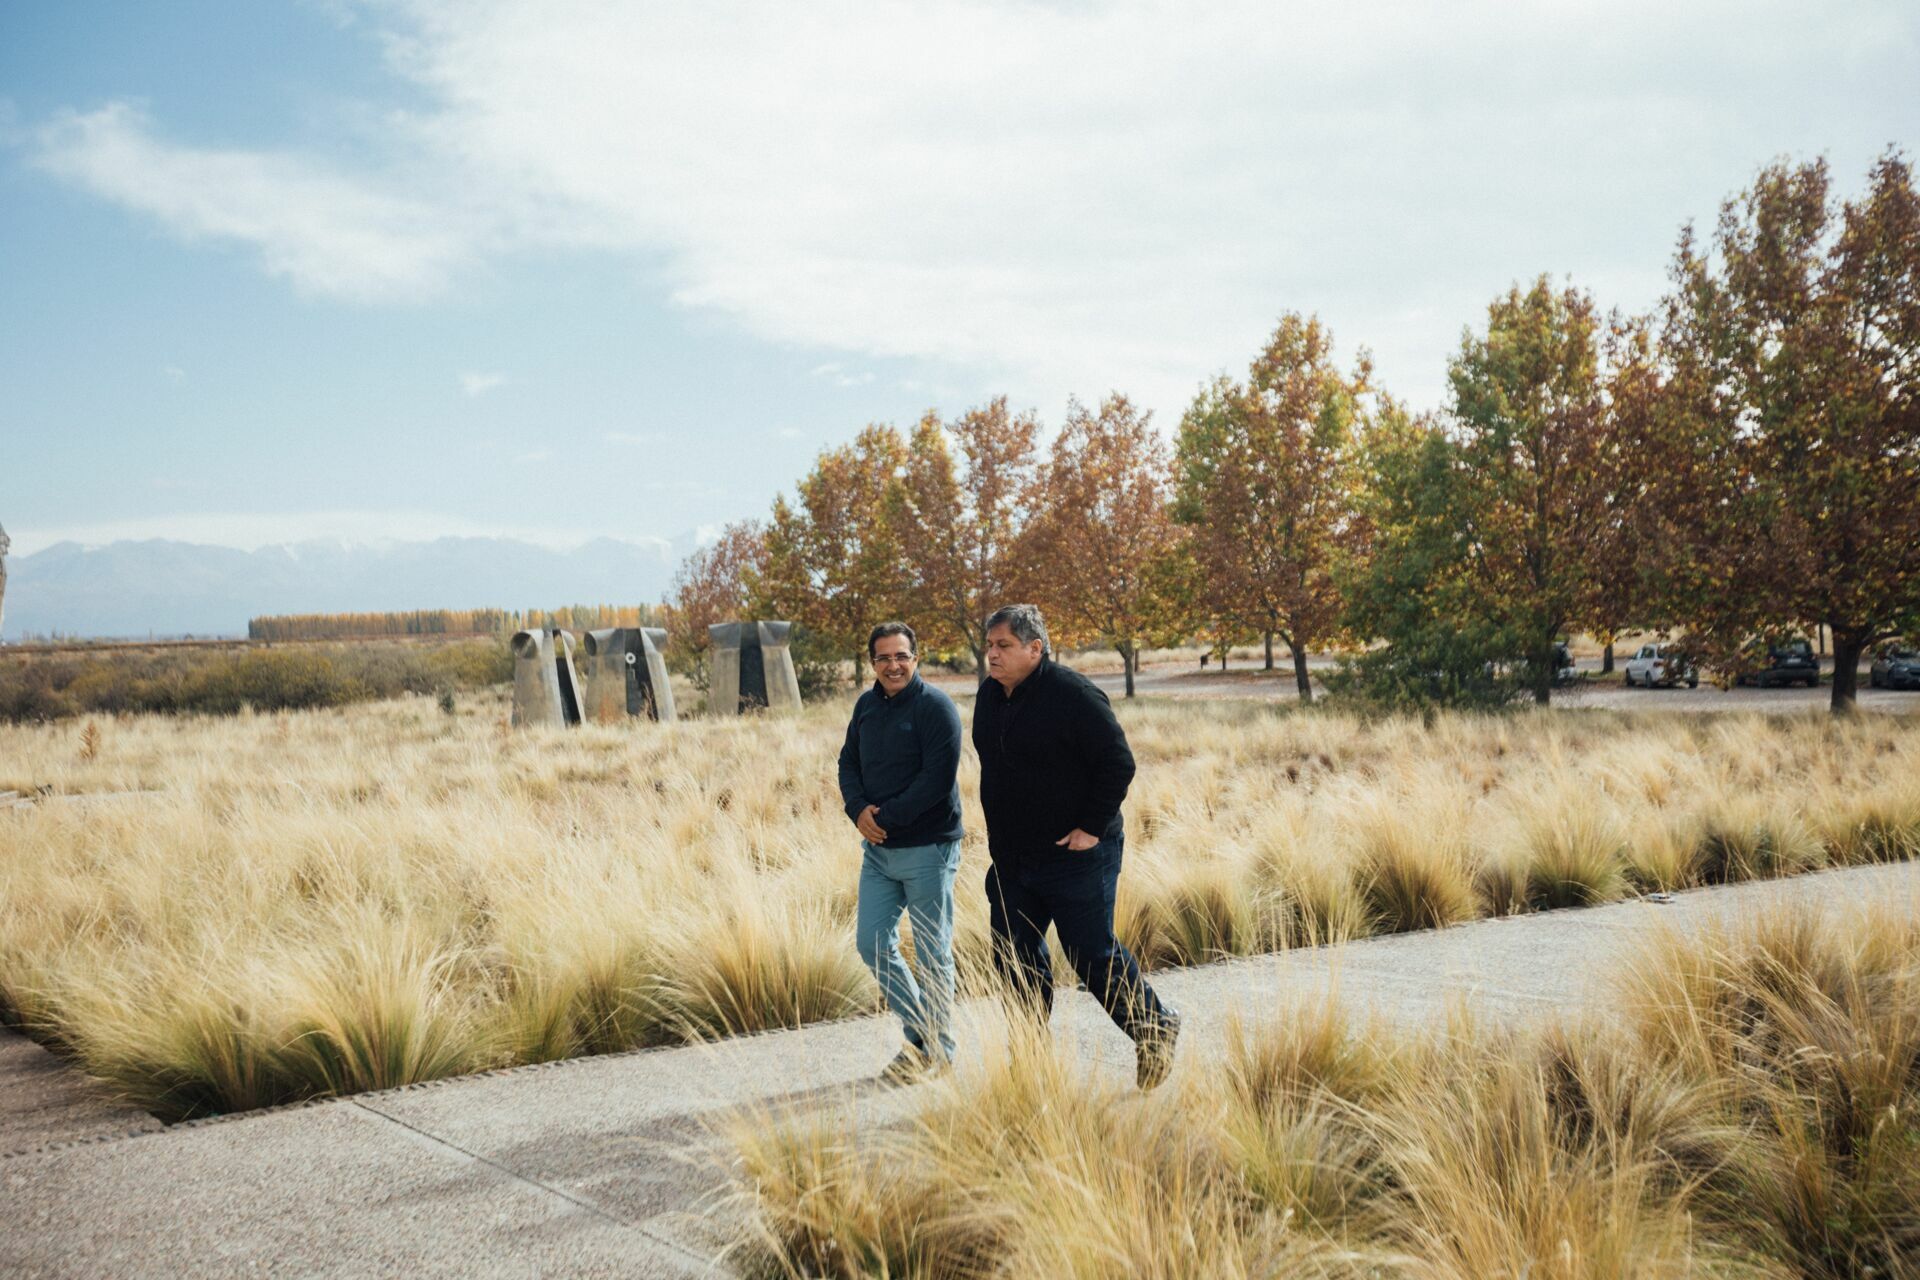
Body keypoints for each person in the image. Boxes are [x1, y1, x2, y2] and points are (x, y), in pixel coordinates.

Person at [971, 603, 1180, 1089]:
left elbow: (1118, 763)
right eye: (989, 646)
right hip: (1012, 860)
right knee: (1014, 957)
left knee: (1090, 953)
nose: (992, 655)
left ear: (1035, 648)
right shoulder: (990, 696)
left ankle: (1154, 1026)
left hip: (1077, 854)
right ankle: (1029, 1060)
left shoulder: (1074, 695)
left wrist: (1090, 826)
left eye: (1003, 646)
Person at [837, 621, 965, 1083]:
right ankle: (922, 1034)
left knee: (933, 953)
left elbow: (936, 780)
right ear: (872, 663)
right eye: (884, 657)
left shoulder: (937, 708)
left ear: (917, 658)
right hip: (878, 852)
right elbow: (847, 762)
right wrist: (857, 811)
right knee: (870, 942)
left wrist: (882, 817)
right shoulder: (866, 706)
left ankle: (940, 1052)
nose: (893, 665)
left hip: (929, 849)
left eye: (901, 656)